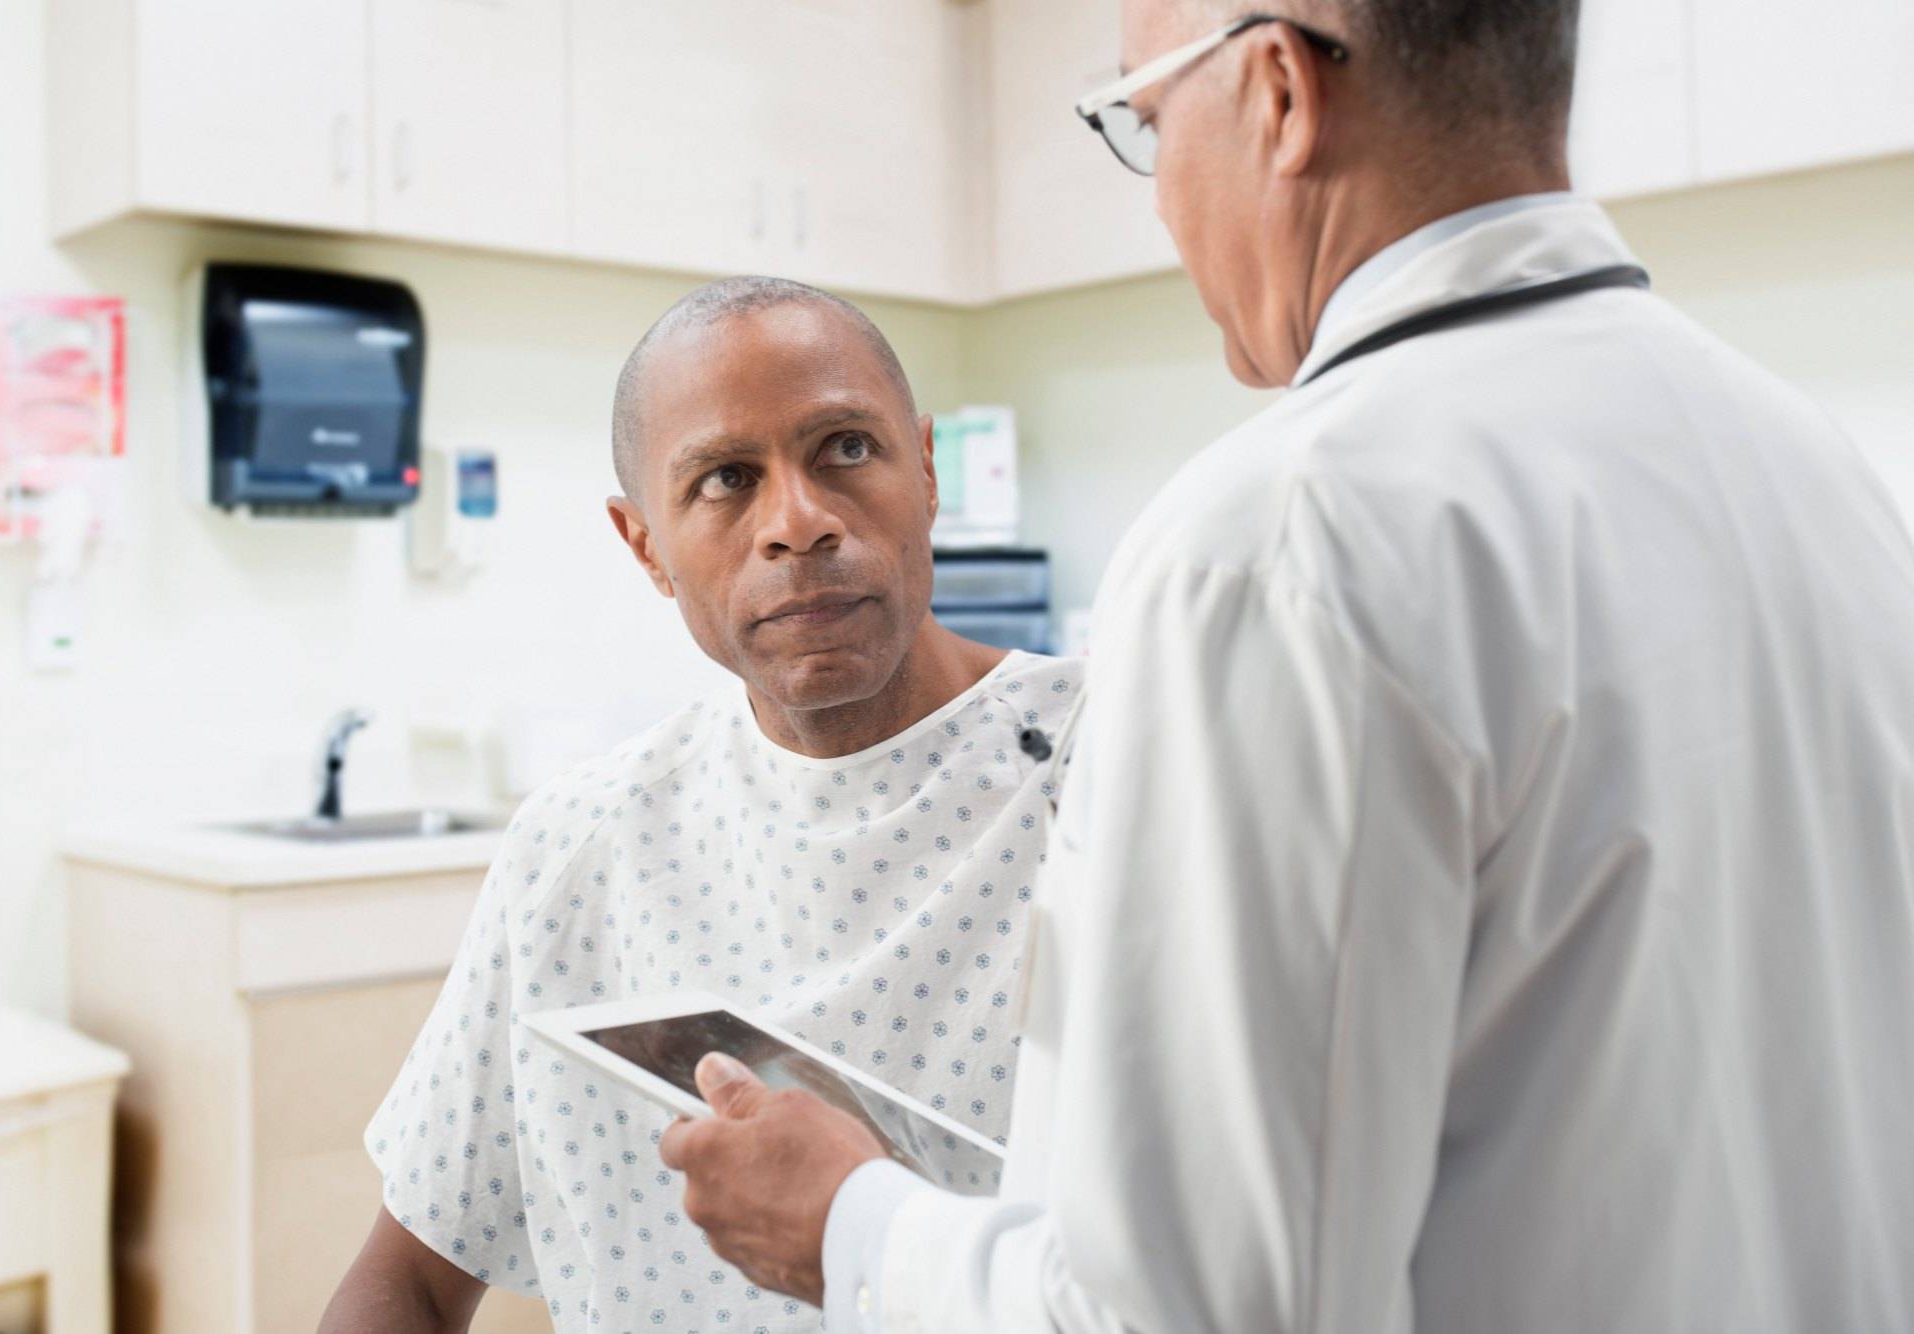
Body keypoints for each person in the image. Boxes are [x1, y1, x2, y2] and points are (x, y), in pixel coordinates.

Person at [658, 2, 1914, 1330]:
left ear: (1277, 95)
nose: (1158, 206)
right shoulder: (1812, 466)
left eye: (1147, 121)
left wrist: (854, 1222)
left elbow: (1210, 1309)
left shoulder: (1275, 545)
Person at [318, 277, 1083, 1332]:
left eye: (846, 450)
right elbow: (404, 1276)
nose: (798, 521)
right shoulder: (578, 848)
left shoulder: (1112, 768)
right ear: (645, 548)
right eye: (726, 478)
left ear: (927, 471)